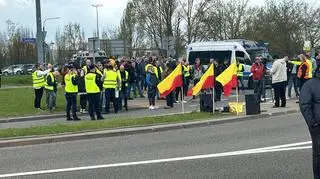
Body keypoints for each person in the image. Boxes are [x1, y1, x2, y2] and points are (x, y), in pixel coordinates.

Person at [299, 68, 320, 179]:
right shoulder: (310, 85)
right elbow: (305, 105)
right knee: (318, 155)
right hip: (317, 126)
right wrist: (313, 123)